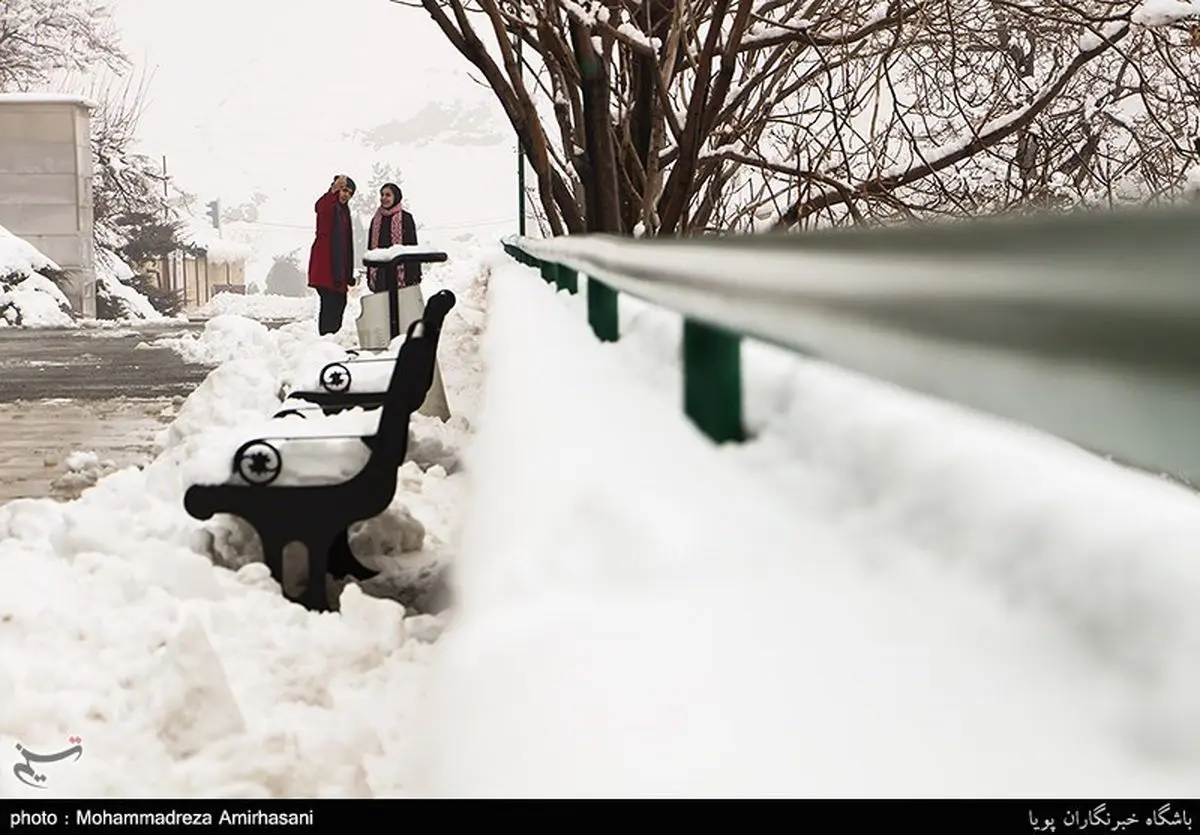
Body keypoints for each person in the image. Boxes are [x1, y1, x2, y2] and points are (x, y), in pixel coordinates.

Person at [365, 182, 451, 420]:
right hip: (382, 276)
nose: (384, 198)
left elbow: (411, 246)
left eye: (388, 195)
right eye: (382, 195)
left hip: (403, 275)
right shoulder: (375, 220)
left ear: (396, 197)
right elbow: (370, 247)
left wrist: (413, 274)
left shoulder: (406, 219)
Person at [308, 174, 357, 335]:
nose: (345, 195)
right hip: (325, 267)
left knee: (339, 304)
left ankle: (332, 342)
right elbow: (321, 207)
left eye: (349, 193)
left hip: (338, 271)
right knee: (330, 306)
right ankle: (326, 343)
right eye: (343, 190)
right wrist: (332, 190)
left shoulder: (343, 212)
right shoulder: (329, 207)